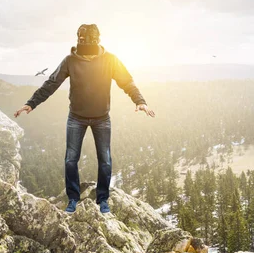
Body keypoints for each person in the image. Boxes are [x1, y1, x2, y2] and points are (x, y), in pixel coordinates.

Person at [14, 24, 155, 214]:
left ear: (96, 41)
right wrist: (31, 103)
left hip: (102, 118)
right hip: (76, 118)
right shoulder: (70, 60)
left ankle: (103, 199)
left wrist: (140, 101)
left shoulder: (110, 60)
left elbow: (126, 81)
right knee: (71, 159)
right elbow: (52, 83)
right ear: (79, 41)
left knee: (104, 160)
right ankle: (73, 199)